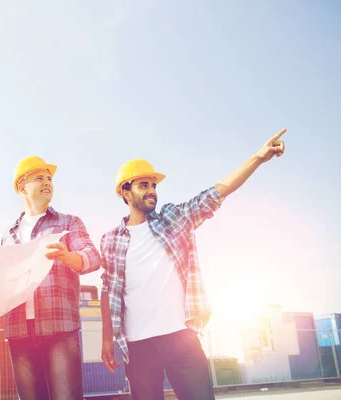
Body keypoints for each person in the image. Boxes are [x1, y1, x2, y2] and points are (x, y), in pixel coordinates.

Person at [100, 129, 287, 400]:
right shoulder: (110, 240)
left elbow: (215, 194)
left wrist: (258, 158)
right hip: (138, 346)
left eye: (154, 185)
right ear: (125, 193)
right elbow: (108, 290)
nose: (152, 191)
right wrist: (107, 339)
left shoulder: (173, 219)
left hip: (181, 338)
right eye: (144, 185)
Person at [0, 156, 101, 400]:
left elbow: (93, 257)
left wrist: (69, 257)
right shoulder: (8, 236)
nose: (48, 183)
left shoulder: (68, 223)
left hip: (59, 330)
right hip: (18, 333)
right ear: (22, 187)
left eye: (49, 179)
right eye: (39, 178)